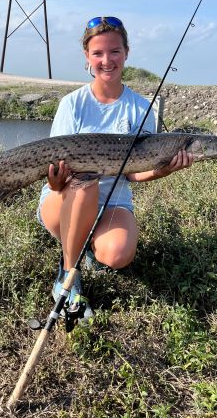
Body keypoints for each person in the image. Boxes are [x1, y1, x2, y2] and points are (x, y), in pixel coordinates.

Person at [37, 16, 194, 319]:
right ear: (87, 57)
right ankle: (69, 276)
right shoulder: (72, 104)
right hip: (63, 201)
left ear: (126, 53)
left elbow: (134, 171)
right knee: (86, 183)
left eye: (114, 52)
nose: (106, 60)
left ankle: (88, 244)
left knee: (117, 255)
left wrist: (162, 170)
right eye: (98, 53)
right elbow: (55, 175)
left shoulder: (139, 108)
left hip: (114, 202)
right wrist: (56, 183)